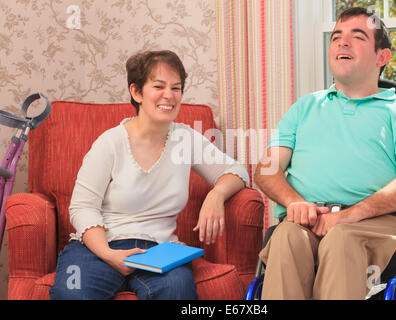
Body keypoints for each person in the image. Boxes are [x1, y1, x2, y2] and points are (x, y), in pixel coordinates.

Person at [255, 7, 396, 300]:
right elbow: (266, 169)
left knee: (342, 240)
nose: (342, 42)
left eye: (357, 37)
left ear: (382, 57)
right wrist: (296, 202)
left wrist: (349, 216)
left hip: (381, 223)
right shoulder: (303, 108)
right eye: (336, 37)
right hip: (309, 219)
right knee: (287, 239)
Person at [49, 50, 249, 300]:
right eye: (159, 86)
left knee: (178, 292)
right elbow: (81, 207)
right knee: (73, 292)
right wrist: (108, 254)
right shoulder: (110, 142)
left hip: (160, 251)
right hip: (99, 247)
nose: (169, 95)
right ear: (136, 92)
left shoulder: (184, 139)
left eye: (176, 88)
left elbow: (236, 171)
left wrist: (217, 194)